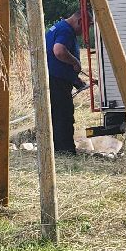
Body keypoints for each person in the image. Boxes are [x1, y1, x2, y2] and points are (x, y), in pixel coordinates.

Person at [45, 10, 88, 156]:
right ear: (80, 21)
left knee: (57, 114)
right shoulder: (66, 31)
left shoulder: (58, 27)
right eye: (87, 26)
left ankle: (58, 148)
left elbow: (56, 62)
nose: (85, 31)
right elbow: (59, 51)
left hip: (54, 79)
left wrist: (75, 80)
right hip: (57, 81)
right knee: (63, 115)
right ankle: (65, 151)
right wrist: (75, 62)